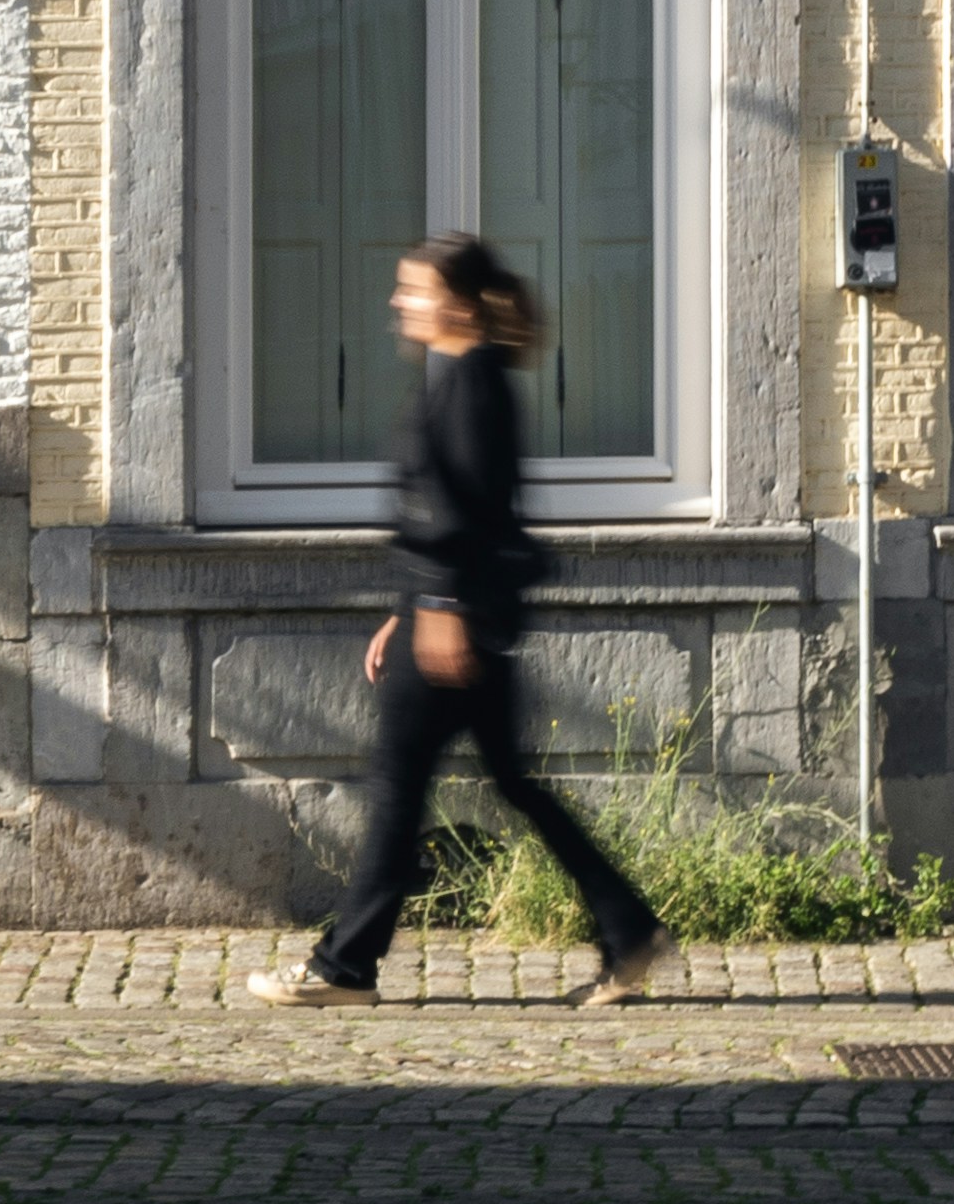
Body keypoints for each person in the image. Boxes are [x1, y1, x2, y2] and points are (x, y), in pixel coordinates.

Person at [250, 236, 678, 1008]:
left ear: (455, 303)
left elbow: (466, 507)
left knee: (398, 788)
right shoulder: (457, 375)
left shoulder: (472, 382)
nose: (397, 302)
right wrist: (405, 606)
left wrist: (436, 606)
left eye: (410, 289)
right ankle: (629, 932)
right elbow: (443, 508)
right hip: (451, 613)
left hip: (454, 622)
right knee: (511, 785)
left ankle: (344, 969)